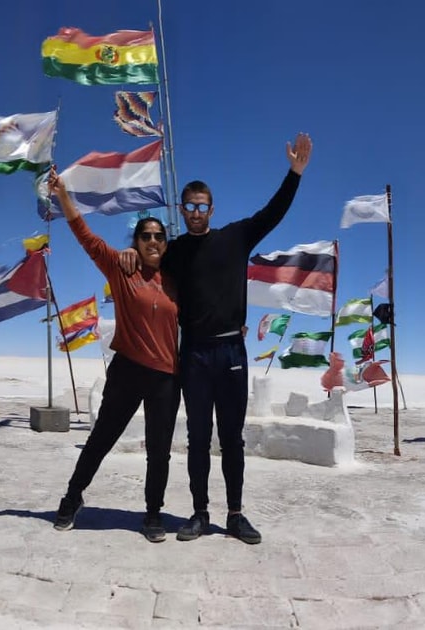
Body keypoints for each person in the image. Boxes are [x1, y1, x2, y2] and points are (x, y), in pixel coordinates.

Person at [121, 133, 313, 544]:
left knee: (231, 438)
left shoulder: (235, 237)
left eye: (202, 206)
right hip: (193, 352)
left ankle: (236, 514)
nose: (195, 213)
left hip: (231, 352)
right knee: (197, 439)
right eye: (189, 207)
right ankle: (199, 513)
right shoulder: (174, 251)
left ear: (211, 209)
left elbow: (273, 213)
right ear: (182, 210)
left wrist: (294, 174)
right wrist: (130, 253)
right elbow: (147, 259)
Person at [47, 166, 181, 543]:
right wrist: (63, 195)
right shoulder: (122, 271)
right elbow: (85, 236)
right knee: (101, 439)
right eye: (145, 236)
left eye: (159, 236)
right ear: (136, 241)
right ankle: (72, 498)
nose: (152, 240)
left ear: (166, 243)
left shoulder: (177, 279)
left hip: (166, 377)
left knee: (159, 451)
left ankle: (152, 514)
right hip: (127, 372)